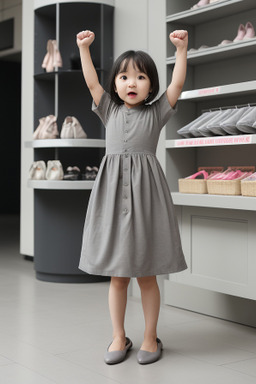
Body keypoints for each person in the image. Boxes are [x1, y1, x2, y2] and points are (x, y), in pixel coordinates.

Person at [76, 29, 188, 365]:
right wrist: (84, 49)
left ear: (150, 86)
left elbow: (178, 86)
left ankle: (151, 337)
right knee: (118, 275)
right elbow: (91, 82)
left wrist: (181, 50)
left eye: (140, 77)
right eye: (124, 76)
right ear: (115, 84)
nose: (131, 83)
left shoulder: (156, 113)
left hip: (147, 199)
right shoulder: (108, 109)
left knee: (147, 274)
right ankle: (118, 336)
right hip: (112, 198)